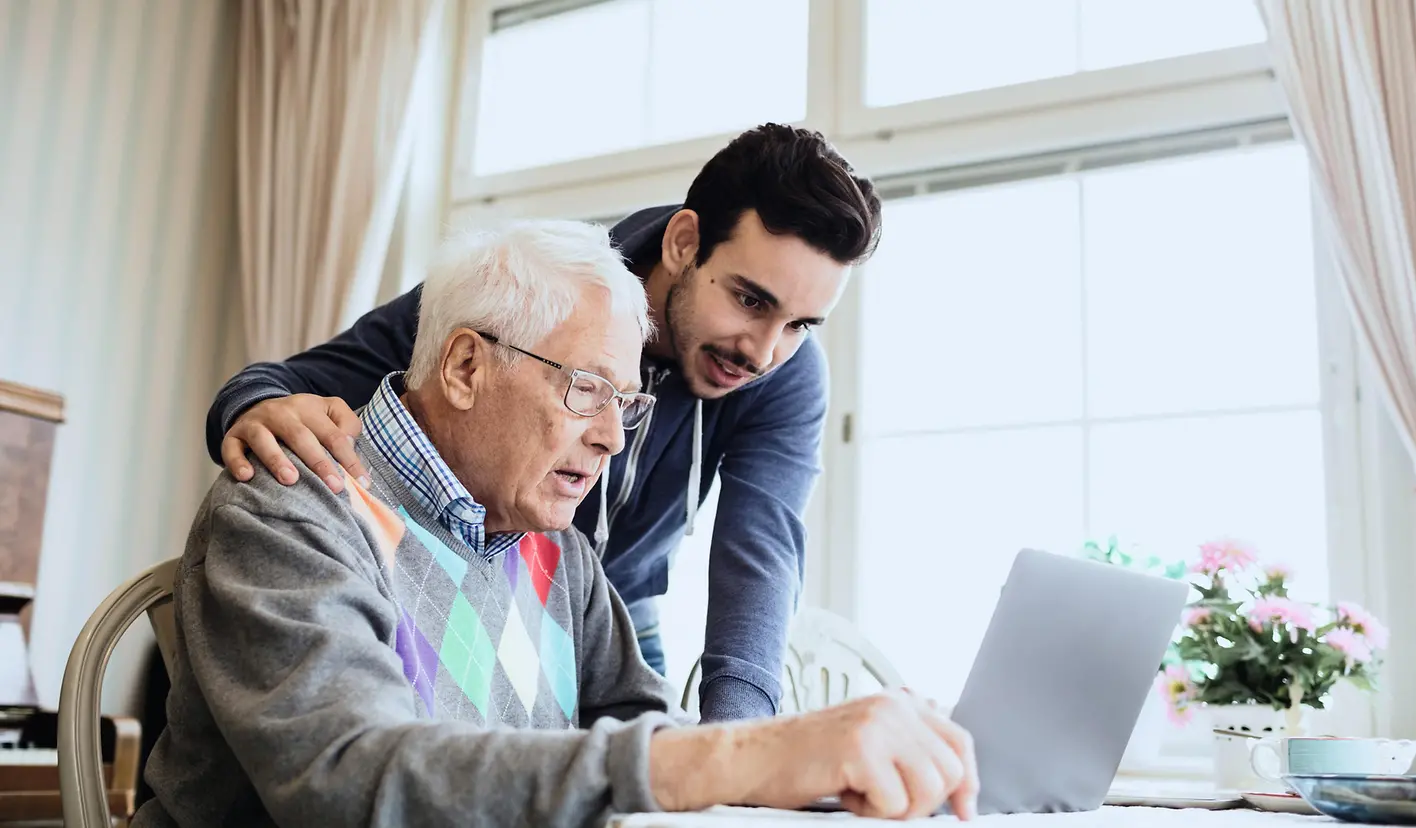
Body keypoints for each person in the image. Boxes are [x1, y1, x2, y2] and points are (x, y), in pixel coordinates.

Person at [139, 222, 977, 827]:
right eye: (587, 390)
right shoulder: (292, 506)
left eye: (627, 402)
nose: (614, 438)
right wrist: (737, 757)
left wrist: (815, 771)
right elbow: (352, 785)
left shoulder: (559, 552)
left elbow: (647, 735)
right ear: (466, 365)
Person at [204, 123, 882, 723]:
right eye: (749, 299)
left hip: (606, 612)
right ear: (684, 243)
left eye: (800, 324)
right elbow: (297, 382)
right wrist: (255, 408)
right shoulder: (546, 295)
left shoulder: (783, 372)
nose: (764, 351)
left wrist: (738, 747)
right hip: (473, 581)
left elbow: (761, 553)